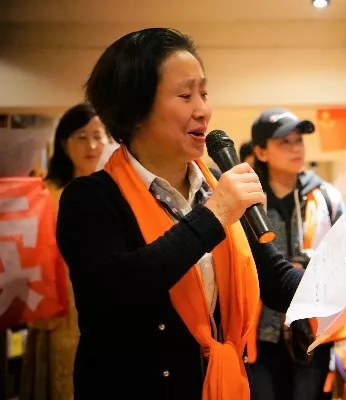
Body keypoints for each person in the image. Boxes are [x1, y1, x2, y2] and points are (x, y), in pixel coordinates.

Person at [54, 28, 303, 400]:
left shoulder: (216, 184)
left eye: (204, 93)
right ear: (135, 109)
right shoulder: (90, 198)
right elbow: (117, 290)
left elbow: (278, 281)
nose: (203, 109)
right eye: (186, 96)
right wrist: (214, 214)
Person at [247, 108, 346, 400]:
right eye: (284, 142)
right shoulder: (247, 200)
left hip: (312, 331)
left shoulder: (327, 197)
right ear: (261, 151)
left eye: (298, 140)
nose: (296, 148)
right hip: (258, 332)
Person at [21, 103, 109, 400]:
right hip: (59, 301)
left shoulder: (111, 191)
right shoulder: (45, 193)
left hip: (102, 300)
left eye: (98, 136)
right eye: (81, 137)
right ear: (63, 142)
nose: (92, 146)